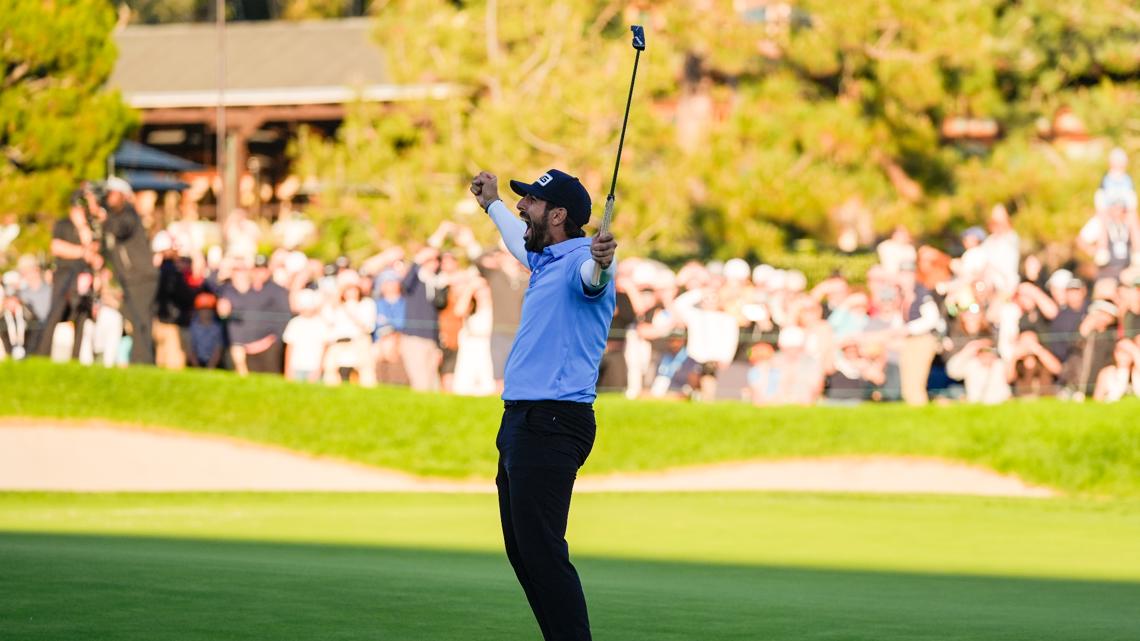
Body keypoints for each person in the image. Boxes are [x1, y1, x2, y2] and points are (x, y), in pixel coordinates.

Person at [470, 168, 616, 641]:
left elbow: (593, 279)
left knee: (543, 551)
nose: (521, 207)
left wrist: (602, 261)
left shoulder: (580, 263)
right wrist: (491, 202)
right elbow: (518, 240)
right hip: (523, 421)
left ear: (557, 215)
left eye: (529, 201)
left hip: (552, 421)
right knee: (524, 551)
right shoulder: (546, 258)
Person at [94, 178, 160, 365]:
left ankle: (143, 361)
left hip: (141, 277)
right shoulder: (114, 217)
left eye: (112, 194)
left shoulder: (128, 215)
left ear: (123, 195)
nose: (108, 198)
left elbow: (120, 230)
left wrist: (104, 218)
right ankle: (140, 359)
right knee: (134, 319)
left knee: (141, 320)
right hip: (129, 277)